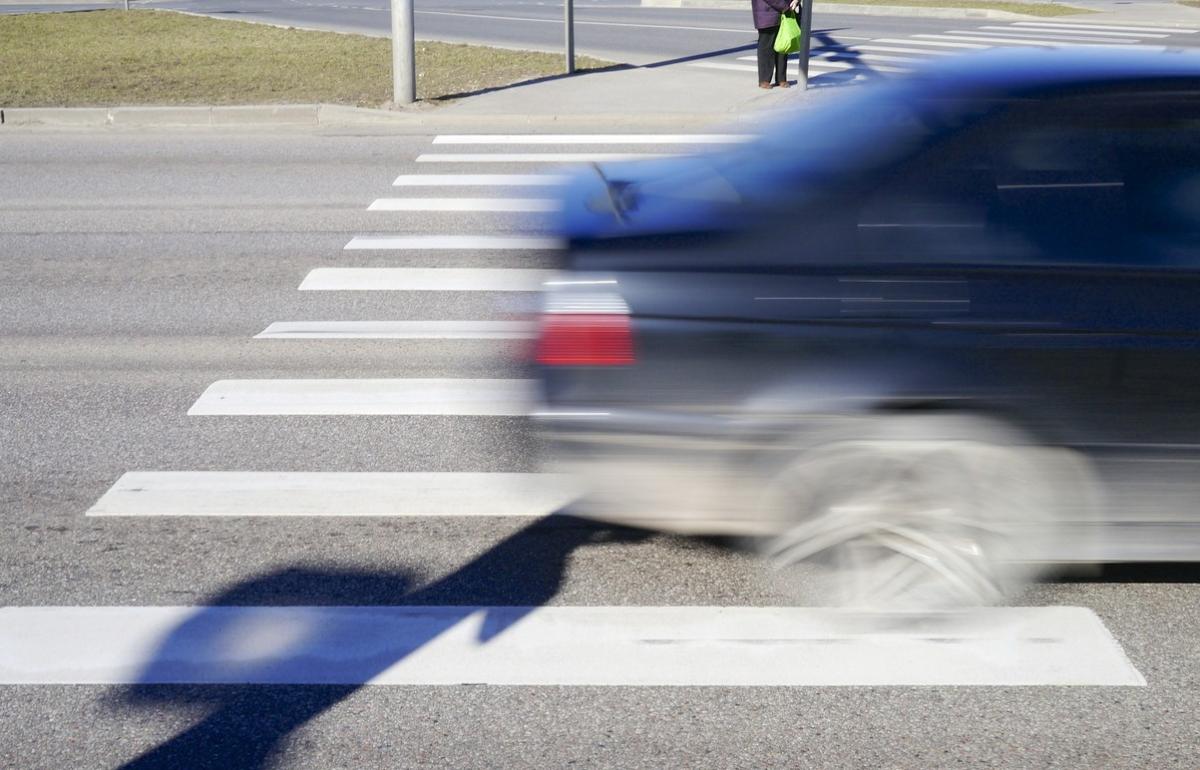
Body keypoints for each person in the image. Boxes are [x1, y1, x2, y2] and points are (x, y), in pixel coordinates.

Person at [752, 0, 801, 89]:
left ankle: (781, 78)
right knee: (766, 48)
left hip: (784, 12)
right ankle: (764, 80)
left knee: (783, 45)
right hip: (767, 13)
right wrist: (785, 6)